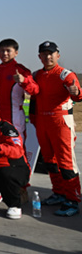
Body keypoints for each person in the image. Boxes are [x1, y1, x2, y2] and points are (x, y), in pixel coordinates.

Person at [31, 41, 82, 217]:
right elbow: (33, 99)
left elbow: (78, 95)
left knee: (66, 162)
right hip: (42, 122)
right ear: (39, 57)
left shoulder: (65, 74)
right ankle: (59, 193)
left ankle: (73, 200)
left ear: (57, 55)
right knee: (49, 161)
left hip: (61, 122)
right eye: (44, 54)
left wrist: (76, 92)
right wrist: (33, 119)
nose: (48, 56)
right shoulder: (37, 75)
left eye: (51, 53)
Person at [0, 38, 39, 138]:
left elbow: (35, 90)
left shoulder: (21, 70)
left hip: (15, 114)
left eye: (8, 50)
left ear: (16, 53)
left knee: (17, 143)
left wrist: (24, 81)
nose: (4, 53)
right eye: (2, 50)